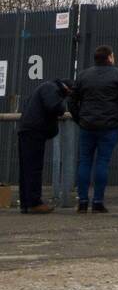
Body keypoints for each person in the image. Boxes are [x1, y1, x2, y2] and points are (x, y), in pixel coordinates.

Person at [68, 45, 118, 213]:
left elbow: (72, 101)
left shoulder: (83, 76)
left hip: (87, 126)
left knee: (84, 162)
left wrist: (79, 119)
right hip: (109, 126)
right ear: (110, 57)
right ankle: (97, 201)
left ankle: (82, 201)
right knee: (102, 162)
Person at [17, 78, 73, 214]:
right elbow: (54, 107)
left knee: (26, 168)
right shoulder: (51, 89)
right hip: (34, 132)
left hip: (27, 130)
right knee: (34, 168)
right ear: (66, 89)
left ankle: (26, 203)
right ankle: (35, 203)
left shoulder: (45, 87)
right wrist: (63, 106)